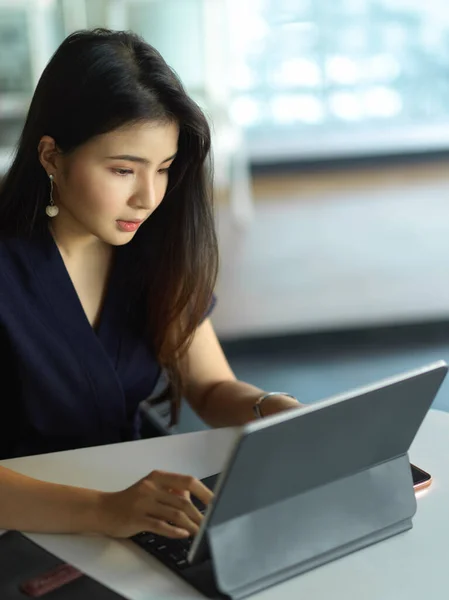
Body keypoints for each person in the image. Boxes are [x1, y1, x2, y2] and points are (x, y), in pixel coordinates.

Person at [0, 29, 301, 540]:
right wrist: (104, 511)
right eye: (123, 170)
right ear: (51, 156)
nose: (147, 197)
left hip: (134, 512)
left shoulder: (149, 248)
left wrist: (266, 407)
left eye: (162, 169)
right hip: (28, 527)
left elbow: (209, 386)